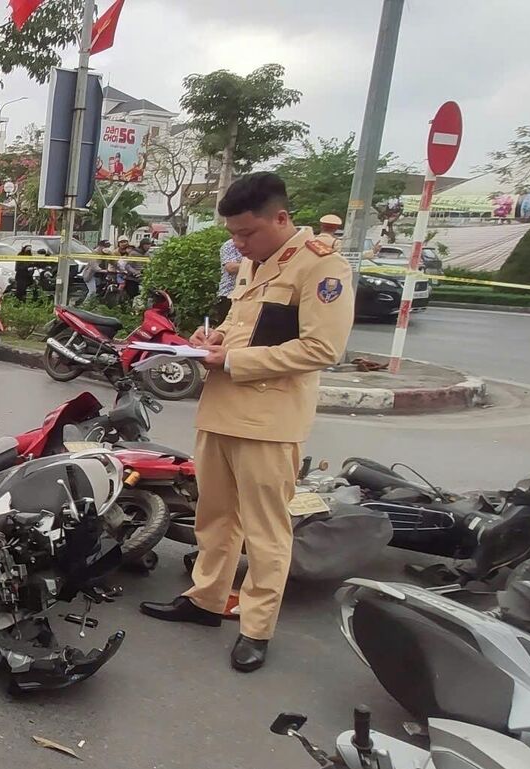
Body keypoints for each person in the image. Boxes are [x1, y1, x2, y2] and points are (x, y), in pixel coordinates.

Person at [140, 173, 355, 673]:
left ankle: (256, 628)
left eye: (246, 233)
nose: (237, 244)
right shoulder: (254, 263)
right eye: (233, 234)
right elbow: (245, 329)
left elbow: (322, 349)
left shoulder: (322, 267)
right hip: (221, 410)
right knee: (213, 517)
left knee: (265, 532)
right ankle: (206, 600)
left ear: (281, 218)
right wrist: (211, 341)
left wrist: (234, 362)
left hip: (270, 419)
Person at [215, 238, 244, 321]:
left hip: (249, 295)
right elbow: (230, 267)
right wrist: (254, 265)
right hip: (229, 294)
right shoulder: (230, 245)